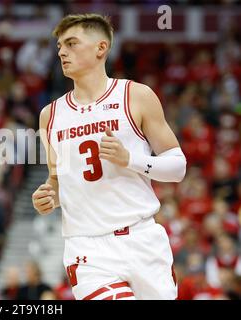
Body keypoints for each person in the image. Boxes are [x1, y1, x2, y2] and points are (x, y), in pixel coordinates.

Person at [32, 13, 187, 300]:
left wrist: (131, 159)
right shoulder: (49, 115)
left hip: (141, 238)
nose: (62, 52)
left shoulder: (135, 96)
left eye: (71, 43)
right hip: (87, 249)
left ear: (100, 48)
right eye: (59, 47)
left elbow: (178, 167)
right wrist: (49, 195)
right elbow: (56, 179)